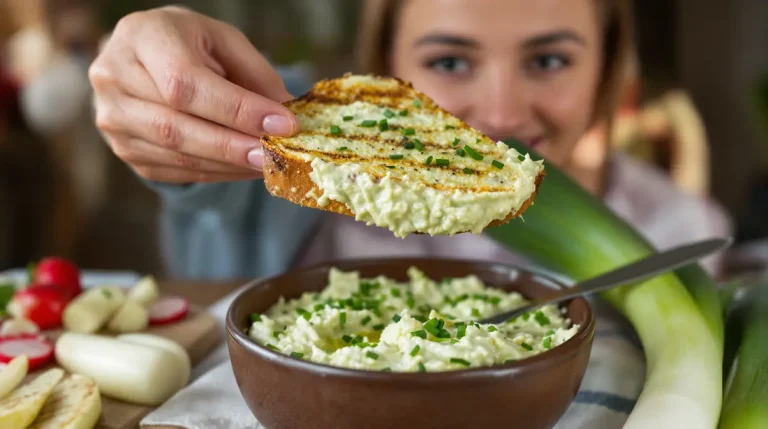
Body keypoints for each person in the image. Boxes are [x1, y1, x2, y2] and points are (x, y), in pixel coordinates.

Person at [88, 0, 732, 281]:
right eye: (450, 62)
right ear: (384, 66)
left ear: (609, 68)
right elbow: (198, 185)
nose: (501, 115)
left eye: (549, 60)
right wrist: (159, 82)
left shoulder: (677, 228)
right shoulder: (280, 187)